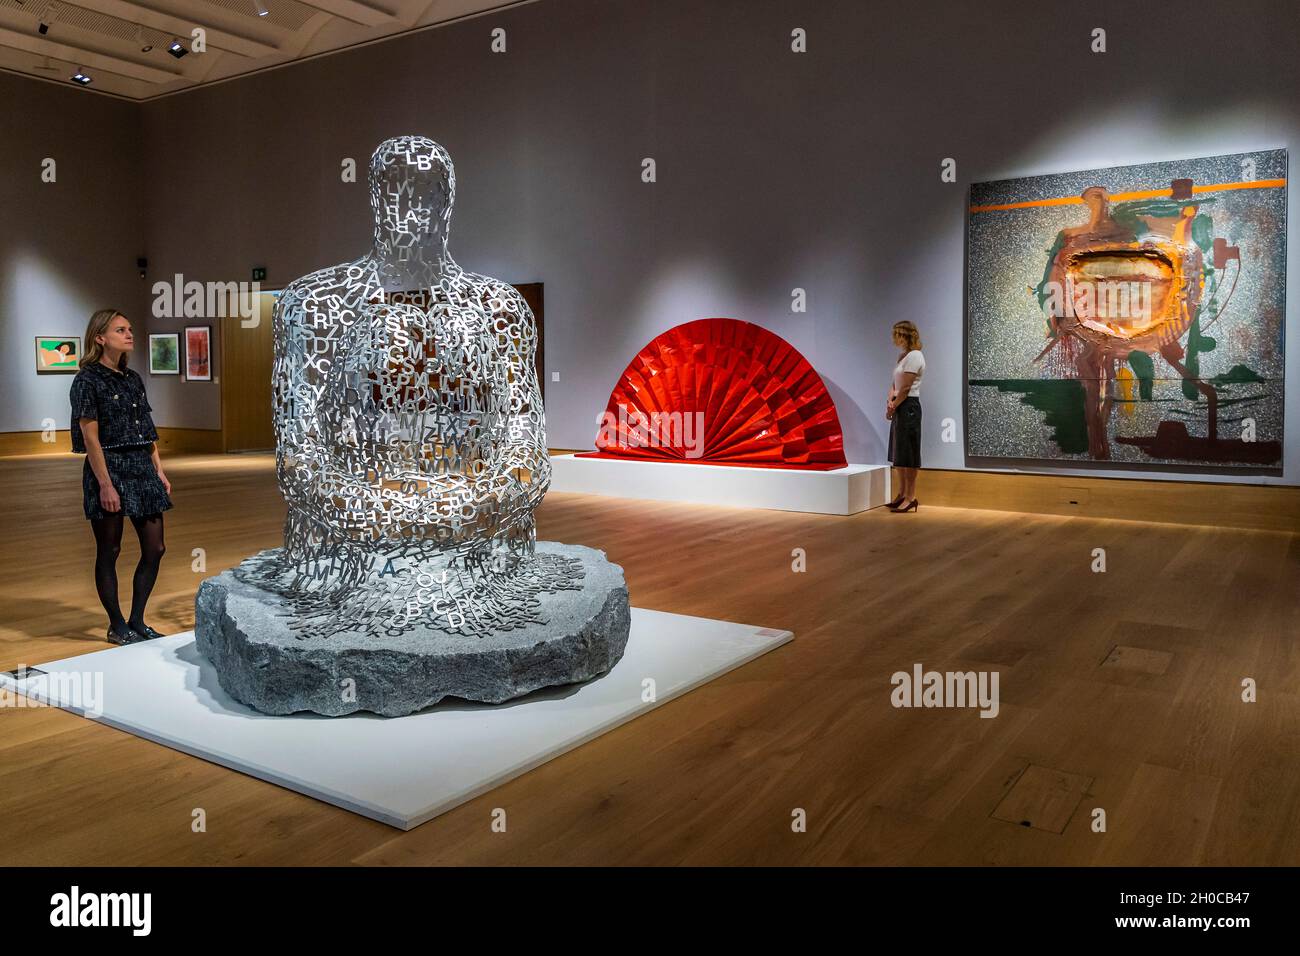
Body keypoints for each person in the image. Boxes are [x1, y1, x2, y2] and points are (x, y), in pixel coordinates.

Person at [70, 309, 172, 645]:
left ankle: (137, 619)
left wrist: (158, 469)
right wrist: (105, 483)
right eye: (120, 330)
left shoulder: (133, 379)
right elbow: (90, 437)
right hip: (109, 467)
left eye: (130, 328)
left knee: (155, 548)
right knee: (109, 550)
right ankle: (116, 624)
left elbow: (147, 428)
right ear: (100, 338)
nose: (129, 334)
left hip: (141, 467)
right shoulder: (87, 380)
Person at [885, 320, 925, 512]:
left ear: (906, 336)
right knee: (899, 453)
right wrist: (890, 401)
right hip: (900, 405)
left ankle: (911, 496)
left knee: (909, 453)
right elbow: (895, 384)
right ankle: (901, 494)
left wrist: (895, 403)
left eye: (898, 335)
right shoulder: (902, 357)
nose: (895, 339)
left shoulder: (916, 356)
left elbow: (907, 387)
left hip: (908, 406)